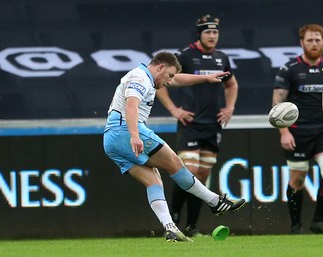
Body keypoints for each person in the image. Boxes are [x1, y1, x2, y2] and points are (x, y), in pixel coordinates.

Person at [103, 51, 245, 242]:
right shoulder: (140, 77)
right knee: (175, 162)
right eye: (169, 75)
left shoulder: (148, 77)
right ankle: (215, 201)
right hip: (125, 131)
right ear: (160, 67)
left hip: (111, 141)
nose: (169, 82)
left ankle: (170, 228)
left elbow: (178, 79)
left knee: (153, 181)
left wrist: (206, 78)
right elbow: (131, 105)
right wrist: (135, 135)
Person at [156, 14, 238, 237]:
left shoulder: (222, 58)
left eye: (215, 32)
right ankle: (172, 222)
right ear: (199, 34)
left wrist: (229, 107)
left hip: (213, 125)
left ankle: (192, 226)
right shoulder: (187, 55)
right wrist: (174, 110)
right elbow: (162, 81)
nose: (212, 36)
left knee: (202, 175)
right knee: (188, 171)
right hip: (191, 123)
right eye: (208, 32)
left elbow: (232, 84)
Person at [272, 24, 323, 235]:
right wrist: (284, 132)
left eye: (318, 40)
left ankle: (319, 221)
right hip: (297, 133)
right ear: (301, 43)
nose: (314, 43)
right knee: (298, 180)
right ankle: (296, 226)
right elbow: (278, 103)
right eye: (310, 40)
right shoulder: (289, 68)